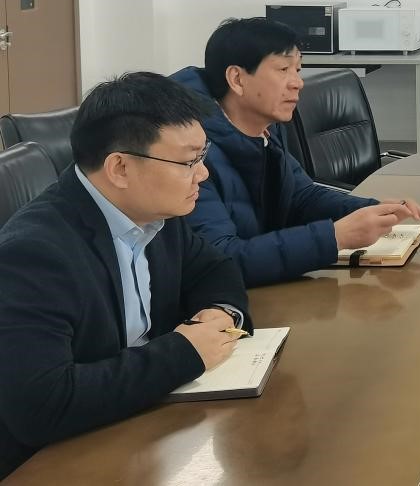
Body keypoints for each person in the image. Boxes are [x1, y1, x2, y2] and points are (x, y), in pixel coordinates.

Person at [0, 73, 251, 478]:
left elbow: (213, 267)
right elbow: (41, 406)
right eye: (189, 162)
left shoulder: (154, 211)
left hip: (140, 424)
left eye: (202, 156)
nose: (203, 174)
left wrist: (221, 312)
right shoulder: (34, 254)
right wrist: (184, 353)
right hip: (59, 461)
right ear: (120, 168)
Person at [172, 17, 420, 287]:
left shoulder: (267, 128)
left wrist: (371, 210)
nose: (298, 83)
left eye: (298, 69)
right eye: (283, 69)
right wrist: (335, 237)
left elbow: (300, 196)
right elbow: (221, 259)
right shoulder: (190, 155)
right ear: (237, 78)